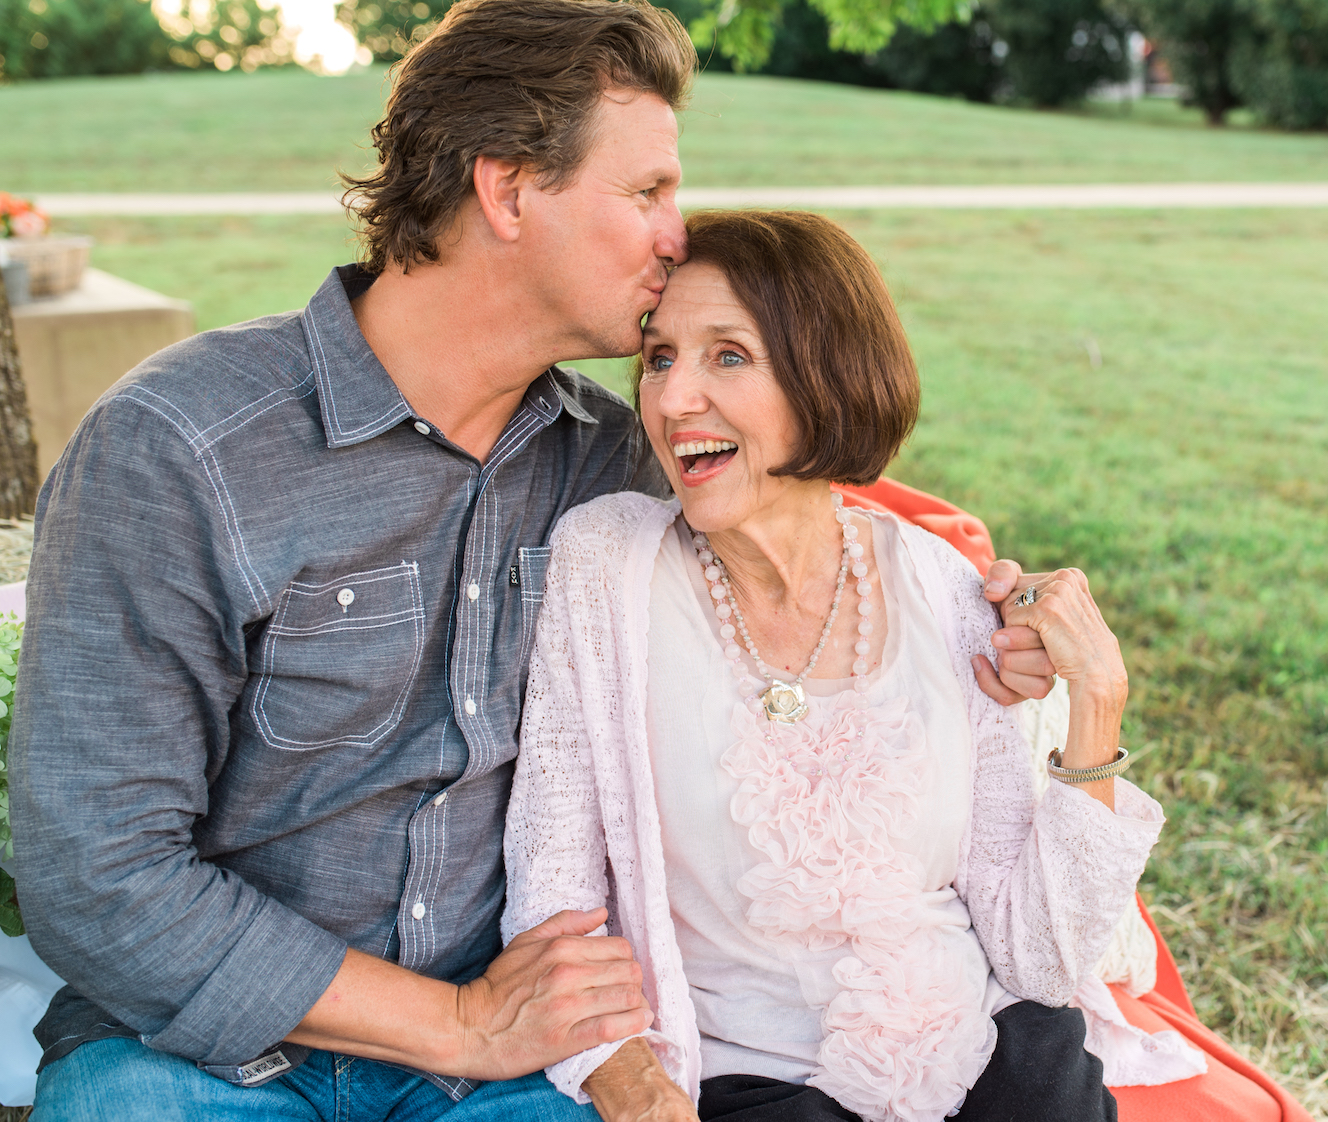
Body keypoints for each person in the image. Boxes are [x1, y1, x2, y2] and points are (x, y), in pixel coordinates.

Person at [7, 6, 1060, 1119]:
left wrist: (991, 612)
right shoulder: (182, 450)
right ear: (507, 191)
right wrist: (459, 1022)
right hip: (196, 1054)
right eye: (647, 192)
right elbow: (98, 880)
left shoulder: (624, 468)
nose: (676, 234)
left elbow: (809, 535)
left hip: (516, 1063)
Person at [502, 209, 1214, 1122]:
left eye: (728, 356)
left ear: (826, 376)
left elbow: (1038, 956)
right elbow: (553, 891)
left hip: (990, 1053)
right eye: (659, 357)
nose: (674, 400)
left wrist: (1098, 703)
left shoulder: (946, 590)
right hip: (751, 1082)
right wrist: (620, 1068)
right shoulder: (605, 569)